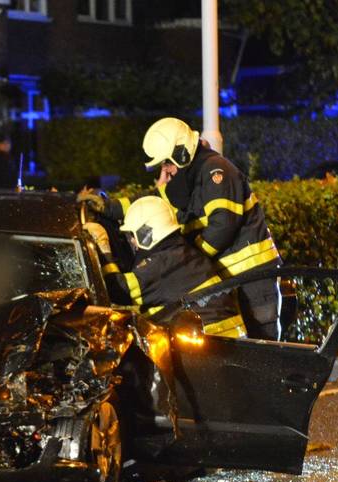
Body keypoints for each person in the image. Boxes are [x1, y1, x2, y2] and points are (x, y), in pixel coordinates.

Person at [81, 117, 283, 339]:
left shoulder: (217, 171)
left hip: (254, 277)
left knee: (264, 346)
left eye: (167, 163)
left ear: (181, 153)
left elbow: (224, 224)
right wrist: (108, 207)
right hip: (230, 278)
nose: (166, 170)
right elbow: (153, 202)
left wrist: (190, 259)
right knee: (246, 349)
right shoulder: (189, 179)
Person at [95, 196, 244, 337]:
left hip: (210, 344)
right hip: (226, 338)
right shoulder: (179, 251)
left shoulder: (163, 263)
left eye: (133, 235)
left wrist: (103, 250)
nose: (133, 242)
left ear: (147, 231)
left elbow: (118, 290)